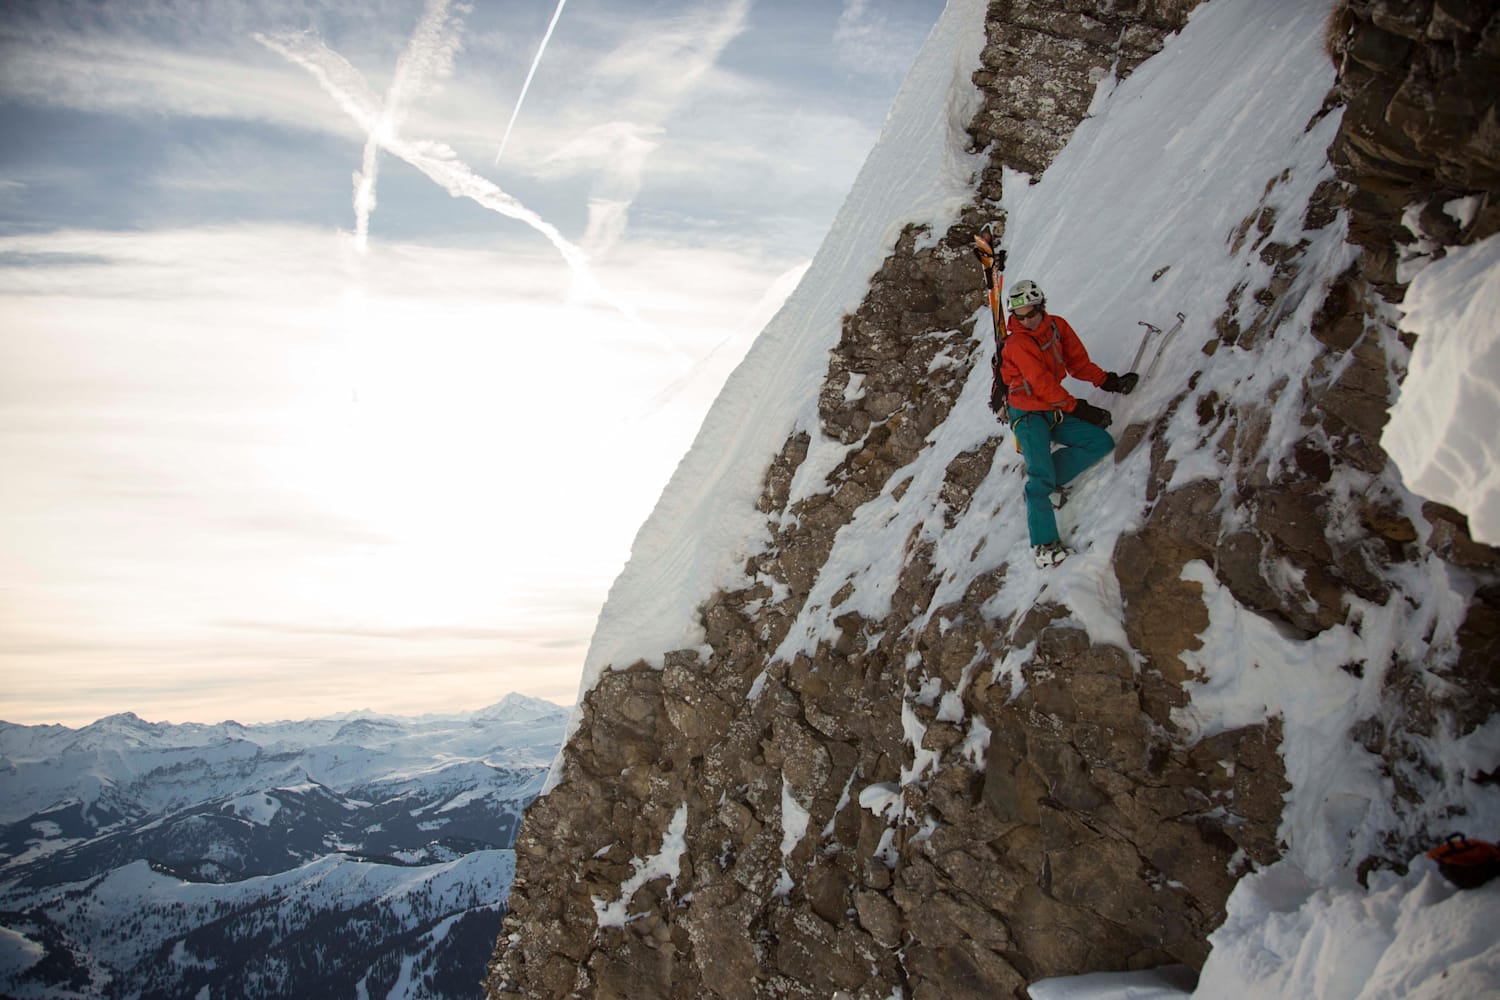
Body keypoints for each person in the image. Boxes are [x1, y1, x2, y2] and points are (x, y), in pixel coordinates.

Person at [992, 279, 1138, 568]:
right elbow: (1042, 383)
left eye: (1031, 314)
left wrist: (1109, 382)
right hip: (1028, 415)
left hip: (1053, 409)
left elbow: (1078, 363)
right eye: (1019, 317)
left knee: (1099, 442)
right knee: (1040, 483)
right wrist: (1080, 408)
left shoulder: (1057, 326)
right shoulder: (1018, 342)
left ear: (1041, 307)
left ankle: (1043, 479)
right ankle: (1044, 547)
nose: (1026, 321)